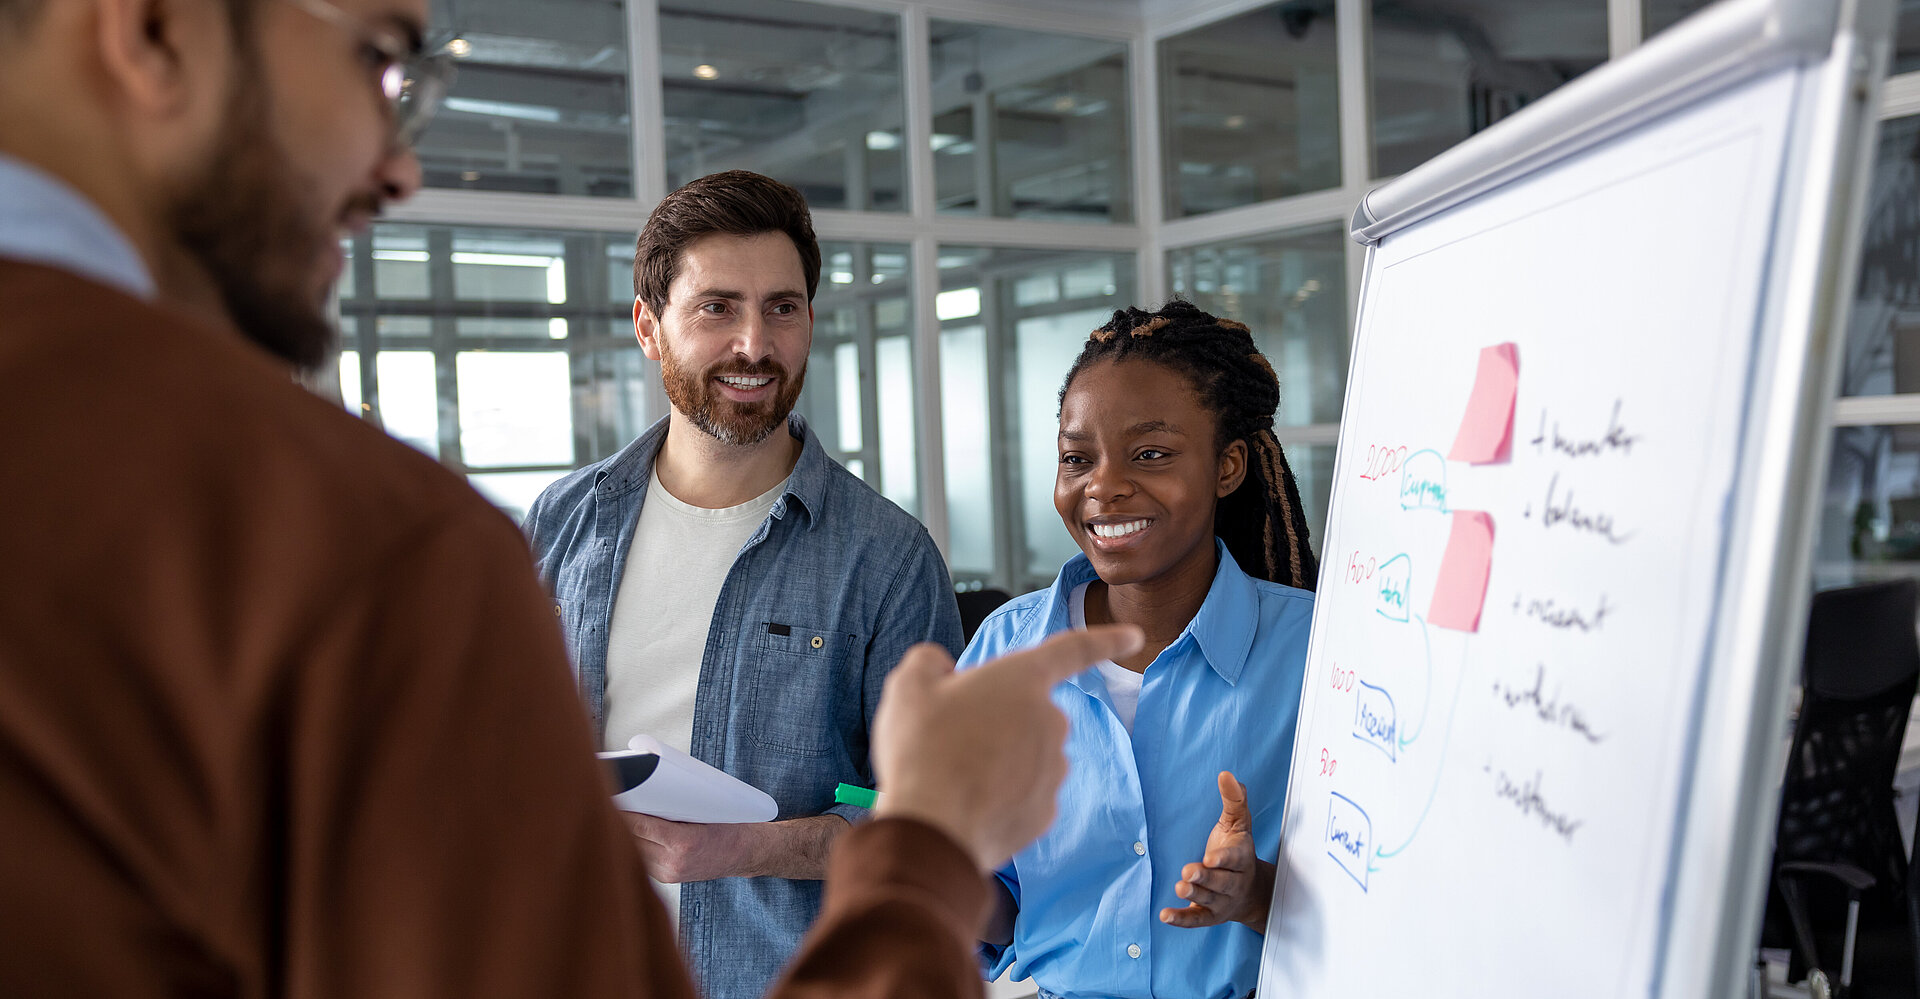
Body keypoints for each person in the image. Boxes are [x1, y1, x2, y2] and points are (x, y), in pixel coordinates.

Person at [0, 0, 1143, 996]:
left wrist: (790, 843)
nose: (398, 170)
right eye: (383, 62)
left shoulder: (883, 555)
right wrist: (931, 849)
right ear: (152, 27)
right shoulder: (391, 543)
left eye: (784, 308)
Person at [521, 169, 964, 998]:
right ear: (649, 329)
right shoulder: (561, 522)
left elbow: (935, 828)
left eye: (783, 307)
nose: (755, 344)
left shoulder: (888, 556)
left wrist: (742, 849)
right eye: (717, 307)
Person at [960, 301, 1322, 999]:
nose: (1103, 486)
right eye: (1076, 458)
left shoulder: (1312, 653)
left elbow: (1381, 890)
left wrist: (1254, 892)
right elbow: (1004, 905)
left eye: (1150, 454)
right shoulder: (1004, 653)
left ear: (1228, 466)